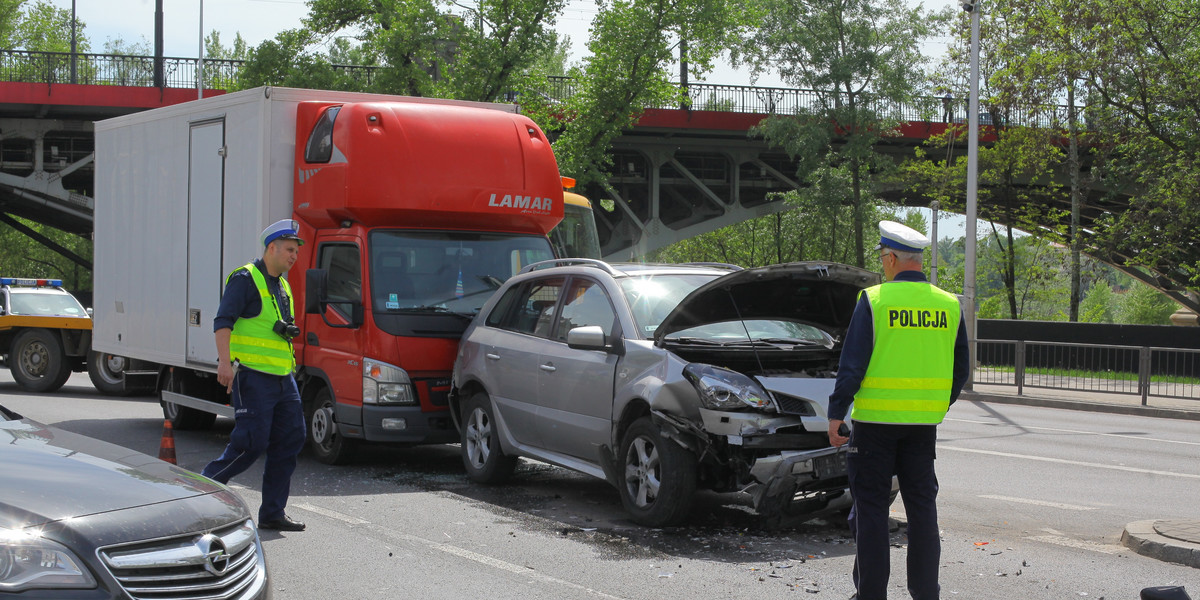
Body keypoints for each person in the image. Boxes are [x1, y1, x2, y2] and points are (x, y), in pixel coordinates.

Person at [827, 220, 969, 600]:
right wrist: (934, 404)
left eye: (882, 258)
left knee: (871, 509)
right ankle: (926, 593)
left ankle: (871, 595)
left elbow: (852, 365)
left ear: (891, 258)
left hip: (874, 425)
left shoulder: (874, 301)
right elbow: (961, 371)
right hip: (923, 427)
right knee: (922, 509)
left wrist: (836, 412)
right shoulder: (949, 304)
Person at [201, 219, 309, 532]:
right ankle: (200, 491)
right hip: (252, 376)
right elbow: (223, 322)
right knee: (251, 443)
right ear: (271, 248)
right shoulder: (246, 279)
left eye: (296, 251)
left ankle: (273, 513)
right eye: (290, 250)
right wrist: (224, 363)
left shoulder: (283, 285)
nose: (294, 256)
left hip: (282, 378)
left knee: (291, 439)